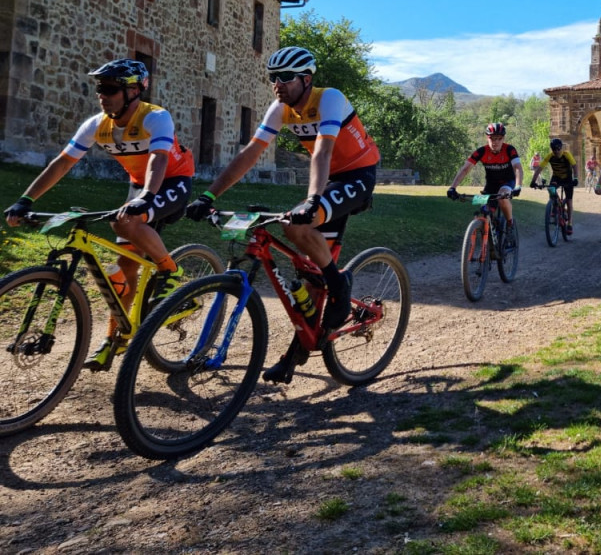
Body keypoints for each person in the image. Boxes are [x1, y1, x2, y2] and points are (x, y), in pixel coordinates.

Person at [184, 46, 379, 384]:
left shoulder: (329, 98)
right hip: (330, 180)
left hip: (358, 175)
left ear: (306, 79)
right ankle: (298, 349)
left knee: (298, 228)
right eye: (273, 78)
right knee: (309, 266)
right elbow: (249, 154)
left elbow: (322, 150)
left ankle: (340, 283)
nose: (278, 84)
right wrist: (208, 195)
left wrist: (312, 199)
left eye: (285, 78)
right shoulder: (281, 109)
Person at [4, 59, 195, 370]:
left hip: (172, 181)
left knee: (126, 221)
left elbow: (158, 160)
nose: (102, 96)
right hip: (139, 187)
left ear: (134, 91)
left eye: (109, 89)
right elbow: (62, 163)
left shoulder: (156, 117)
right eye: (99, 90)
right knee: (124, 270)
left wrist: (147, 197)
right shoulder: (97, 124)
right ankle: (115, 339)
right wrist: (26, 199)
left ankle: (171, 274)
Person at [447, 122, 523, 244]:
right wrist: (453, 188)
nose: (495, 142)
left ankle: (510, 225)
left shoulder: (509, 150)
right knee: (482, 206)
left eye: (499, 138)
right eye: (492, 138)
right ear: (487, 138)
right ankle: (488, 238)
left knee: (502, 198)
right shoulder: (481, 151)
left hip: (507, 182)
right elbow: (465, 169)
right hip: (491, 185)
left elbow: (518, 168)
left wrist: (518, 186)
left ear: (503, 138)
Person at [529, 137, 578, 235]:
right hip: (556, 177)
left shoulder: (566, 155)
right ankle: (555, 205)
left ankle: (570, 224)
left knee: (568, 200)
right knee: (551, 189)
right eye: (554, 149)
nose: (556, 151)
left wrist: (575, 178)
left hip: (567, 178)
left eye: (558, 149)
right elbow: (539, 169)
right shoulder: (550, 156)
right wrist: (533, 181)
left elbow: (574, 166)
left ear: (561, 148)